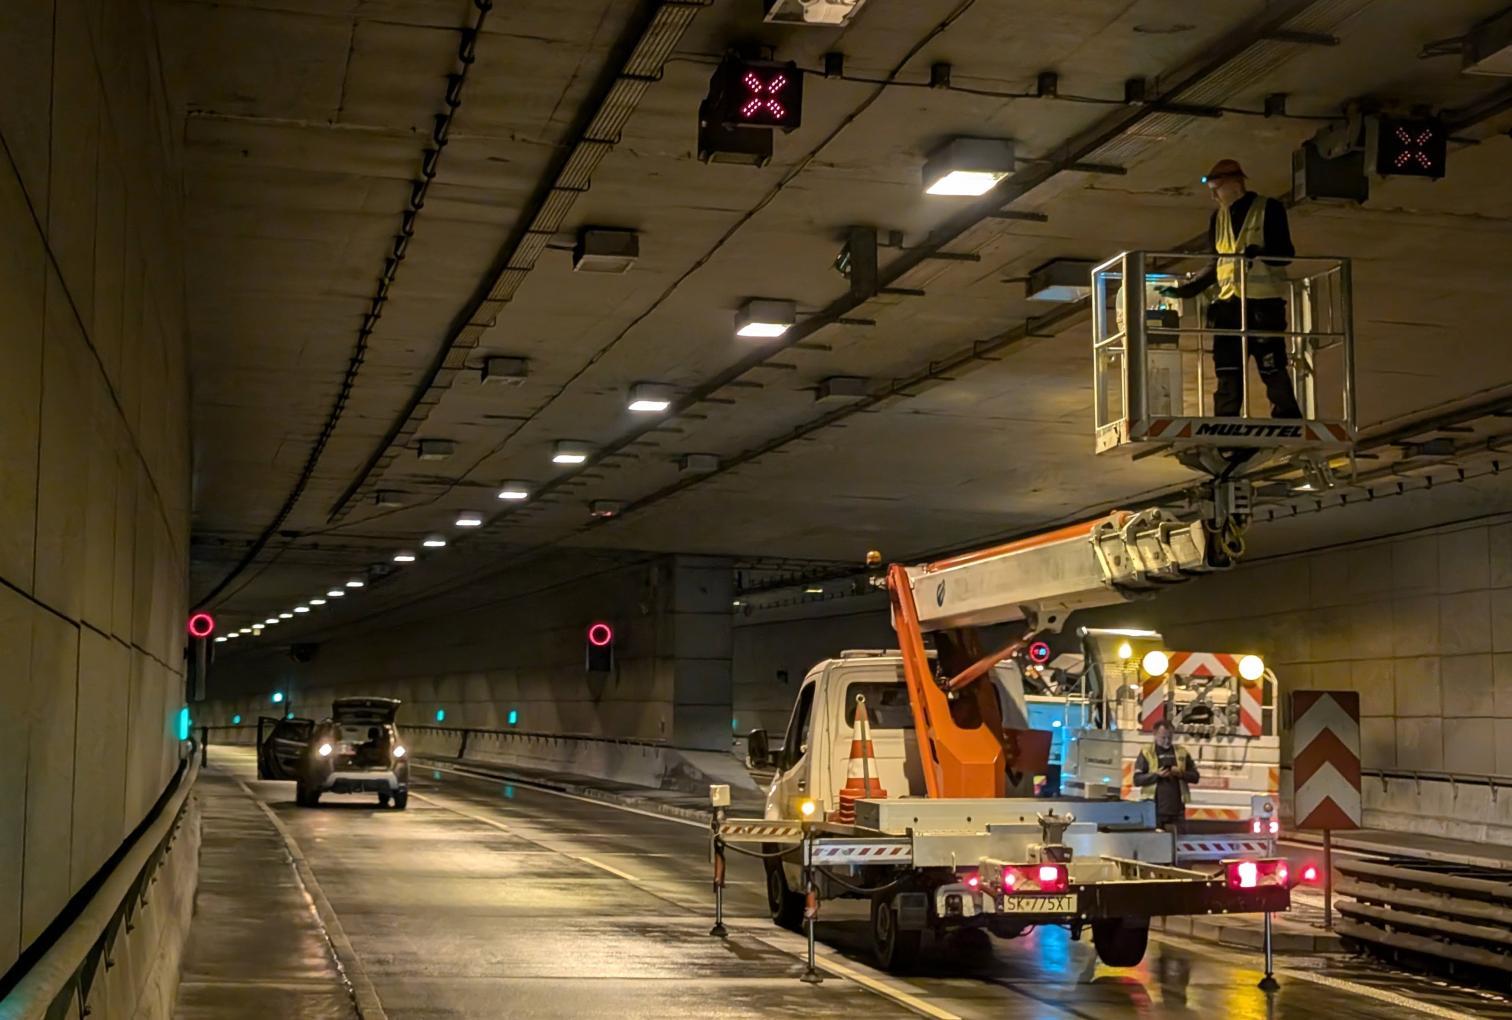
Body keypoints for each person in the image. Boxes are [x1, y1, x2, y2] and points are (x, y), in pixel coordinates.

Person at [1159, 159, 1303, 419]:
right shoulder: (1219, 217)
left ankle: (1287, 415)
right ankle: (1226, 420)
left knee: (1271, 365)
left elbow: (1285, 254)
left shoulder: (1268, 209)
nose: (1213, 194)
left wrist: (1260, 252)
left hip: (1263, 303)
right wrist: (1186, 290)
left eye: (1217, 187)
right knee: (1227, 369)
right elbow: (1216, 263)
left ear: (1236, 184)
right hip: (1229, 305)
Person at [1133, 720, 1199, 831]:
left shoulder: (1182, 752)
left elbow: (1195, 777)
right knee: (1154, 843)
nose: (1167, 741)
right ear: (1154, 734)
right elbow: (1137, 780)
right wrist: (1156, 775)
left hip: (1177, 811)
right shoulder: (1147, 752)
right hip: (1153, 809)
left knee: (1178, 842)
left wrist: (1180, 773)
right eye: (1163, 737)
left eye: (1170, 737)